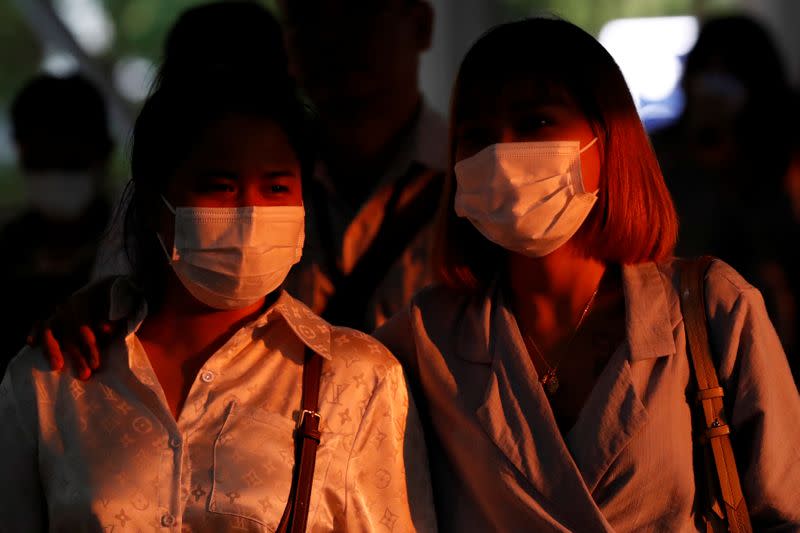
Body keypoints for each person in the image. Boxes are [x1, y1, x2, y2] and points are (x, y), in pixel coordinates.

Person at [373, 18, 800, 532]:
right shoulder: (426, 337)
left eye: (534, 123)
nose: (502, 155)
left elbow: (786, 511)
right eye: (477, 136)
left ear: (607, 137)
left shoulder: (711, 309)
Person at [0, 75, 436, 531]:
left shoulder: (357, 380)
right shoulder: (49, 380)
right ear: (154, 203)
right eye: (221, 186)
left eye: (276, 187)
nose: (251, 212)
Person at [280, 0, 448, 330]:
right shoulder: (255, 187)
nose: (330, 38)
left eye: (359, 12)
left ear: (422, 25)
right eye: (306, 18)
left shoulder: (476, 184)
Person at [652, 14, 800, 374]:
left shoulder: (785, 152)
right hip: (694, 338)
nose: (714, 88)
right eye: (707, 71)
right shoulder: (667, 154)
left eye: (729, 73)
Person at [0, 73, 113, 377]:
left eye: (70, 162)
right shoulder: (6, 248)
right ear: (22, 155)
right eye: (42, 159)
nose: (56, 175)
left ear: (103, 153)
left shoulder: (137, 255)